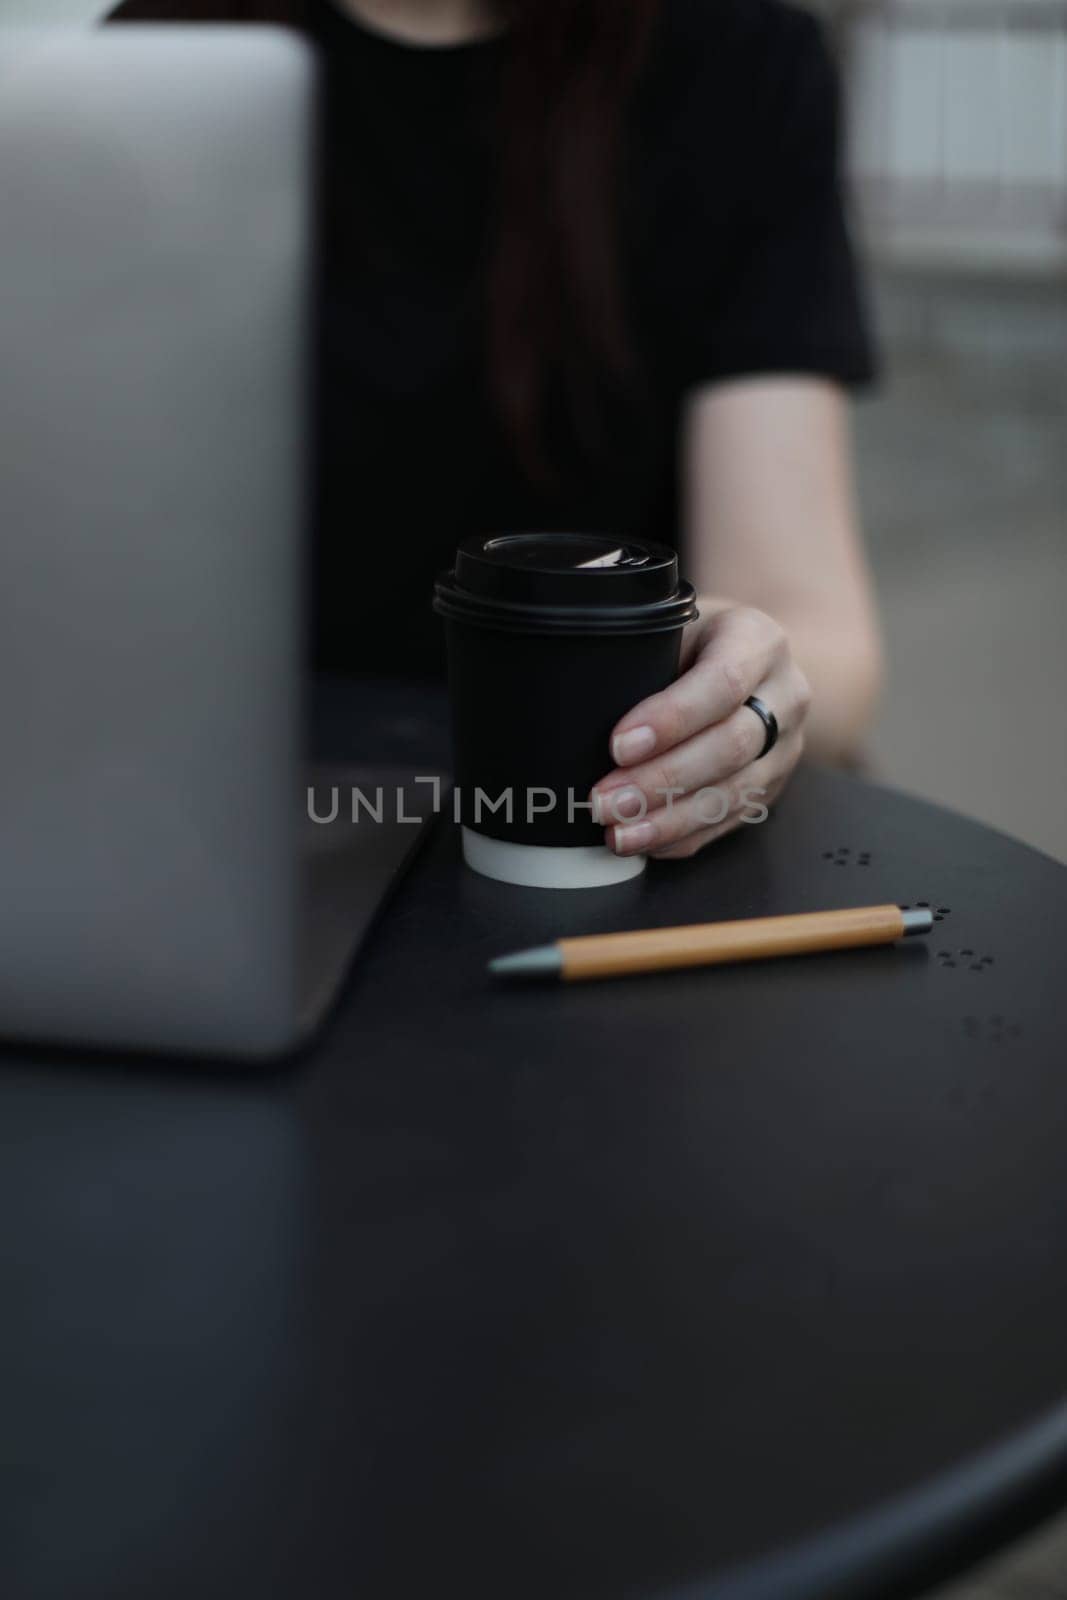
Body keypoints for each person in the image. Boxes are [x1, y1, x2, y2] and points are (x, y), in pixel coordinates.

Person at [108, 0, 885, 860]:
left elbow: (813, 624)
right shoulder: (148, 67)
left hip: (587, 828)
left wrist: (736, 690)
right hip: (229, 826)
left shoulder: (732, 58)